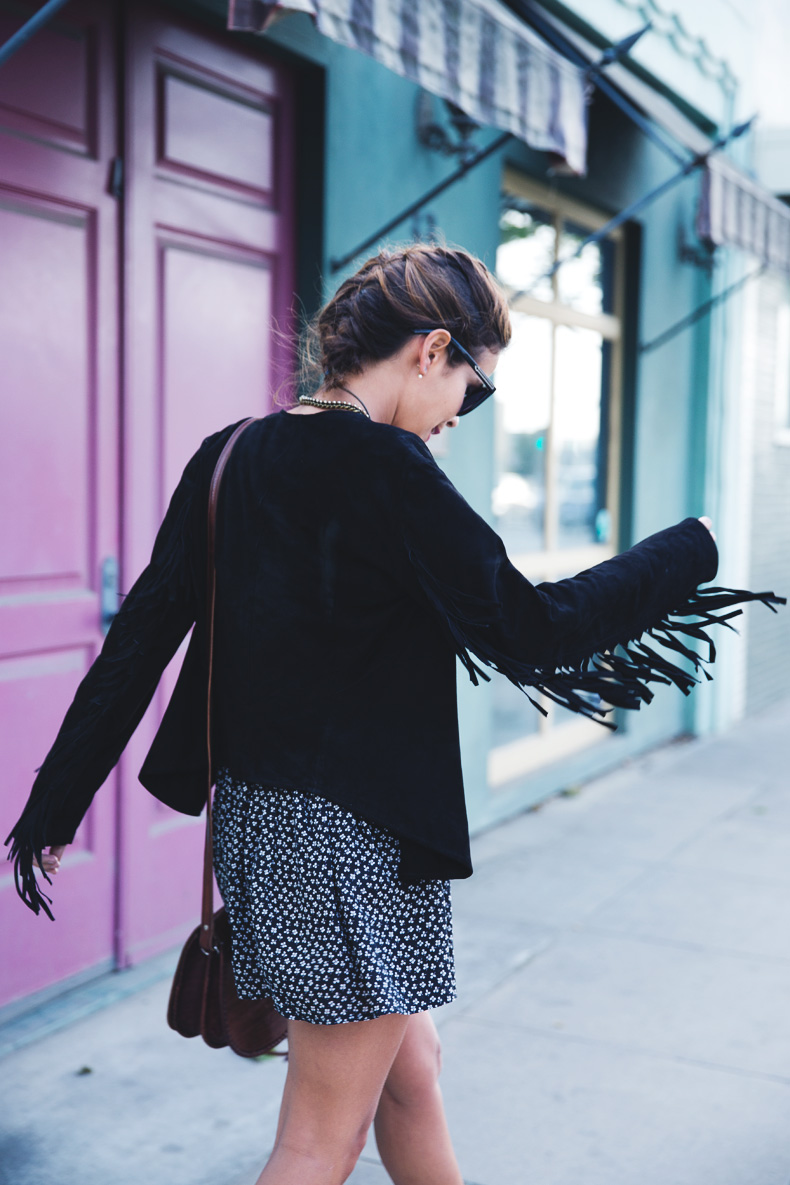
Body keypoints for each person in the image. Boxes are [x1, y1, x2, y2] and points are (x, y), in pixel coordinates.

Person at [5, 245, 780, 1185]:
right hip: (353, 844)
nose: (462, 410)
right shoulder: (391, 471)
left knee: (412, 1073)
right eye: (473, 385)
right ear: (432, 349)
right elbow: (535, 630)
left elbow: (140, 639)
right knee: (316, 1143)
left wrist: (56, 799)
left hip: (266, 825)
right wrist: (686, 550)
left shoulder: (232, 453)